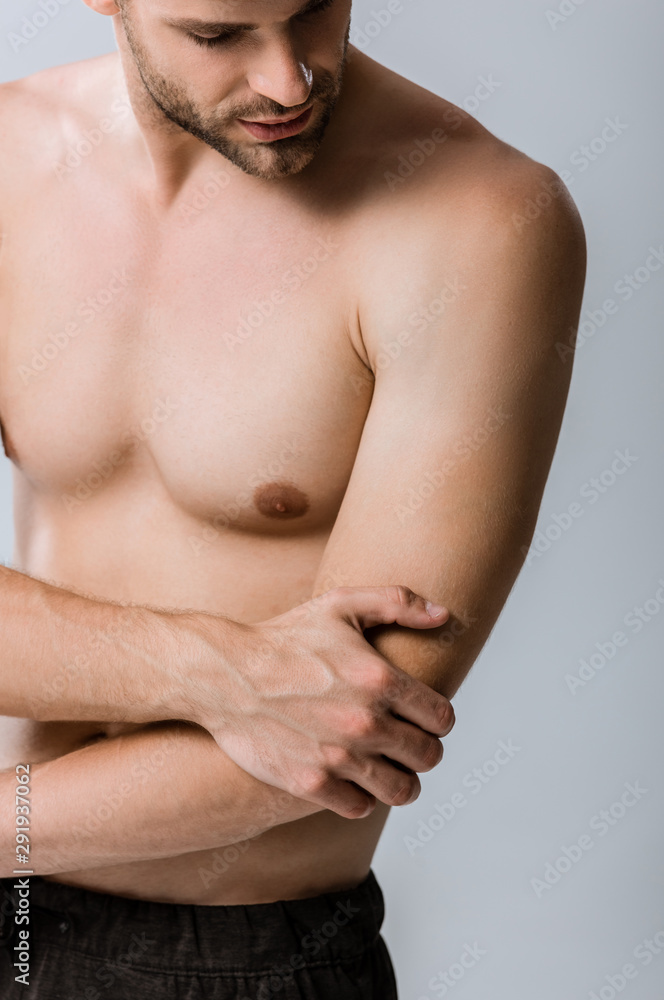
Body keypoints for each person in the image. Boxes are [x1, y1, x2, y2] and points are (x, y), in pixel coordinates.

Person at [0, 0, 586, 996]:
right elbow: (290, 702)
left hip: (243, 954)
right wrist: (227, 671)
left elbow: (357, 721)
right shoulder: (10, 163)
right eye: (219, 34)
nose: (290, 79)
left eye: (315, 10)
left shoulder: (479, 219)